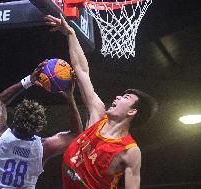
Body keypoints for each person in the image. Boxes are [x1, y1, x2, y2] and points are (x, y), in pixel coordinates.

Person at [45, 14, 158, 189]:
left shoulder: (129, 152)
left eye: (125, 98)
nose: (118, 97)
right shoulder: (98, 115)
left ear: (132, 111)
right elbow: (82, 71)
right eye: (121, 95)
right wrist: (71, 34)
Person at [0, 61, 83, 189]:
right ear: (39, 127)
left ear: (15, 119)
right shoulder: (43, 148)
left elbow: (0, 101)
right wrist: (70, 97)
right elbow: (76, 135)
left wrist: (29, 80)